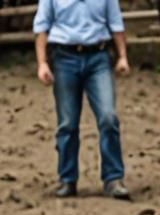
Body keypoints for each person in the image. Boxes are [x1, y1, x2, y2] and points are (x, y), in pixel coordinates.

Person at [32, 0, 132, 200]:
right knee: (67, 122)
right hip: (64, 57)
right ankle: (67, 178)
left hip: (98, 56)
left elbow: (116, 23)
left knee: (108, 117)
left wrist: (122, 56)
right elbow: (42, 27)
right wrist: (42, 63)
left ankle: (113, 178)